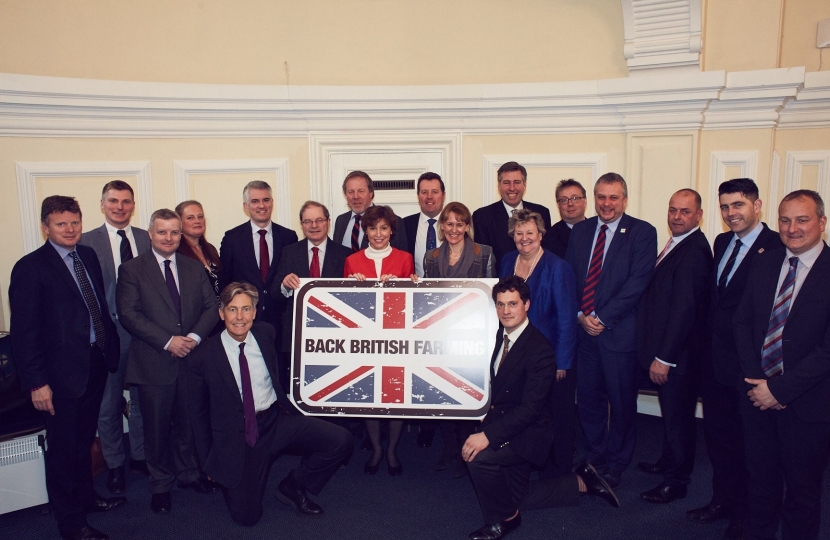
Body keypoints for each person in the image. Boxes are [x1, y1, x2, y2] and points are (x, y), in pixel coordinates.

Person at [464, 276, 618, 540]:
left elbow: (530, 410)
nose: (506, 311)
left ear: (527, 305)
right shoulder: (500, 337)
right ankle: (582, 482)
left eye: (513, 304)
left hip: (529, 434)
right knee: (517, 496)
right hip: (508, 423)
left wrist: (487, 436)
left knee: (478, 458)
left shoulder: (540, 350)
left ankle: (504, 519)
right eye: (500, 305)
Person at [187, 282, 353, 526]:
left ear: (255, 312)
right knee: (248, 517)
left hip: (276, 422)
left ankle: (293, 486)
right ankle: (233, 479)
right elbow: (197, 415)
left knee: (341, 440)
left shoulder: (266, 333)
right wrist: (210, 463)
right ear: (221, 313)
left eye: (246, 309)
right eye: (232, 310)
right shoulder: (203, 357)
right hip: (239, 435)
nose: (240, 317)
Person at [10, 195, 125, 540]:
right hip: (57, 378)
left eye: (74, 222)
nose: (70, 229)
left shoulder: (85, 254)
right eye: (61, 224)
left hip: (94, 363)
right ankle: (71, 523)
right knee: (62, 451)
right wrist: (36, 384)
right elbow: (24, 333)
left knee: (83, 442)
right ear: (46, 227)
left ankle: (87, 498)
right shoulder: (30, 267)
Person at [733, 190, 830, 540]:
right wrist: (759, 382)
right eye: (785, 220)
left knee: (803, 493)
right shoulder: (765, 261)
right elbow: (742, 322)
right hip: (758, 397)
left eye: (802, 220)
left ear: (821, 222)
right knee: (760, 484)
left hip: (807, 404)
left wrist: (779, 389)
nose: (792, 228)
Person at [688, 178, 782, 540]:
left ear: (757, 206)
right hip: (715, 363)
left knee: (751, 449)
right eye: (725, 207)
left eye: (738, 205)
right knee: (719, 439)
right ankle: (721, 501)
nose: (731, 213)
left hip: (749, 366)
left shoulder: (775, 246)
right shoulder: (722, 241)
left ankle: (746, 516)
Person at [116, 208, 219, 514]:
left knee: (189, 424)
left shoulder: (192, 267)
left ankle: (188, 475)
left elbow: (212, 306)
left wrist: (194, 339)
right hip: (153, 362)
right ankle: (160, 485)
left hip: (191, 359)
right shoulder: (132, 269)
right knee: (157, 429)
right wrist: (168, 341)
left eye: (174, 232)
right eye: (162, 232)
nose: (169, 238)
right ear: (150, 234)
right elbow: (129, 314)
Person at [564, 172, 657, 488]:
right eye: (601, 196)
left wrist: (601, 317)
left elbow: (637, 284)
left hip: (618, 336)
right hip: (584, 334)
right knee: (588, 400)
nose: (607, 203)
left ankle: (617, 462)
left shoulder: (643, 233)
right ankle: (594, 456)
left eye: (613, 197)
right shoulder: (581, 231)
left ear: (625, 199)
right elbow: (571, 279)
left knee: (621, 403)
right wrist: (579, 315)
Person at [635, 189, 713, 504]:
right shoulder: (678, 244)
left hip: (677, 357)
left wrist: (664, 358)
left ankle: (677, 482)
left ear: (698, 215)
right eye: (672, 210)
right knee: (671, 415)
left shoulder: (693, 251)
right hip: (669, 351)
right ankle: (668, 462)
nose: (677, 217)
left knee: (680, 420)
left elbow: (684, 311)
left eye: (684, 211)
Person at [79, 180, 151, 495]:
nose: (119, 207)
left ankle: (139, 456)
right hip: (109, 335)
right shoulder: (84, 242)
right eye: (113, 201)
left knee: (141, 401)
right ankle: (114, 465)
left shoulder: (147, 239)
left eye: (125, 201)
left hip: (145, 333)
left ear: (133, 205)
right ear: (103, 203)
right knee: (108, 405)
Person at [499, 209, 578, 479]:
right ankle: (528, 466)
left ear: (541, 235)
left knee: (557, 415)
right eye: (518, 233)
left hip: (549, 357)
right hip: (517, 354)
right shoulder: (508, 261)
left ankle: (561, 473)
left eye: (529, 232)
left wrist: (562, 362)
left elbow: (567, 318)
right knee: (526, 413)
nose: (524, 238)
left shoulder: (558, 267)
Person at [422, 201, 494, 474]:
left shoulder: (484, 253)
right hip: (440, 336)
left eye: (459, 224)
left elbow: (491, 295)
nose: (454, 229)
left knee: (466, 391)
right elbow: (428, 298)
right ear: (442, 226)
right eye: (449, 223)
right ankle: (449, 446)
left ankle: (466, 446)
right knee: (442, 392)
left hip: (471, 337)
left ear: (467, 226)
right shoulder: (431, 257)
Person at [343, 205, 415, 475]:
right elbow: (345, 305)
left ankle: (393, 450)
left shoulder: (405, 258)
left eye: (384, 228)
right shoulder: (353, 261)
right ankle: (375, 449)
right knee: (369, 396)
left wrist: (407, 283)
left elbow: (413, 303)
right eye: (372, 228)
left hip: (396, 339)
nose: (378, 233)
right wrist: (353, 284)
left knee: (395, 395)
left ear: (392, 231)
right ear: (365, 230)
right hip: (365, 341)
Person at [219, 181, 298, 387]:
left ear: (272, 202)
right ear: (246, 206)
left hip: (280, 323)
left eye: (265, 200)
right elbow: (225, 283)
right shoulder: (231, 238)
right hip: (243, 321)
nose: (261, 205)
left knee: (280, 379)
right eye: (255, 201)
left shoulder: (289, 237)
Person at [275, 201, 352, 366]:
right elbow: (275, 291)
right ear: (302, 225)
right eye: (307, 221)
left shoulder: (345, 255)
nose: (314, 225)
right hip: (298, 335)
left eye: (319, 220)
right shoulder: (289, 252)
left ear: (328, 222)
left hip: (335, 337)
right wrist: (285, 285)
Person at [403, 172, 447, 449]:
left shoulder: (455, 223)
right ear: (417, 195)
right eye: (424, 192)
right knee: (417, 364)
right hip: (412, 305)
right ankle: (424, 421)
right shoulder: (404, 225)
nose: (429, 197)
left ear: (443, 194)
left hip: (447, 305)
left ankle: (444, 423)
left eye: (434, 191)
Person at [472, 161, 552, 270]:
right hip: (499, 282)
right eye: (506, 182)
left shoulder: (541, 213)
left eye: (517, 182)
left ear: (524, 184)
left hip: (536, 281)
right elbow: (484, 261)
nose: (512, 188)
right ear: (499, 185)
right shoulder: (482, 216)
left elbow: (546, 254)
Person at [332, 170, 408, 252]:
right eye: (351, 192)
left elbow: (402, 258)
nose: (356, 196)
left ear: (371, 193)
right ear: (345, 194)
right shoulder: (340, 221)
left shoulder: (392, 221)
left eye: (361, 191)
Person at [175, 200, 223, 299]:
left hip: (219, 310)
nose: (197, 221)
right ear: (179, 223)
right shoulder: (177, 253)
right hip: (197, 312)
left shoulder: (211, 249)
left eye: (200, 217)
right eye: (190, 218)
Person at [542, 179, 587, 259]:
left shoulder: (597, 231)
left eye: (575, 198)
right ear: (558, 205)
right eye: (564, 200)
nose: (570, 204)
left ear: (585, 201)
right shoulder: (549, 238)